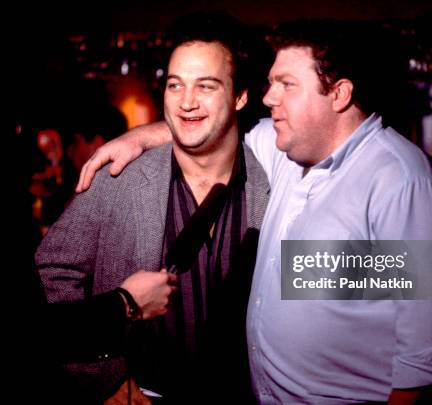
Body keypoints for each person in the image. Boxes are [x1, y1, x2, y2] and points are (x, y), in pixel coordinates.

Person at [78, 21, 432, 404]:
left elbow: (428, 355)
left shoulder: (404, 183)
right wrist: (137, 137)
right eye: (270, 83)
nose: (269, 97)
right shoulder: (286, 151)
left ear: (339, 93)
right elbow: (212, 126)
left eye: (286, 85)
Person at [36, 11, 269, 404]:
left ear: (240, 96)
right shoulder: (120, 177)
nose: (187, 102)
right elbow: (53, 266)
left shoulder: (276, 178)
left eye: (206, 86)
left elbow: (325, 283)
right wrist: (105, 380)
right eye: (175, 86)